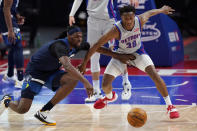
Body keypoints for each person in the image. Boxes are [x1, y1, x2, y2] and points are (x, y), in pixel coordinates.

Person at [0, 25, 135, 125]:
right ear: (68, 36)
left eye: (81, 36)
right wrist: (86, 82)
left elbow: (95, 48)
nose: (79, 38)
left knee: (71, 80)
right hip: (35, 73)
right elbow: (67, 65)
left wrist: (119, 56)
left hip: (51, 72)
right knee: (22, 109)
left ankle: (44, 111)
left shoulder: (77, 45)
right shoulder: (60, 45)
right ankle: (6, 101)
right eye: (76, 36)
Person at [79, 5, 180, 119]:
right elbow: (95, 46)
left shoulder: (140, 20)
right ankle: (109, 96)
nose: (128, 21)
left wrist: (162, 10)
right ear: (121, 18)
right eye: (125, 19)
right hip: (120, 55)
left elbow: (150, 12)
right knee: (105, 85)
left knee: (155, 75)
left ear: (134, 16)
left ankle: (170, 106)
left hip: (138, 53)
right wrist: (84, 63)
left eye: (131, 18)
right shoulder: (114, 30)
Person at [69, 0, 138, 102]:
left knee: (116, 52)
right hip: (92, 21)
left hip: (108, 21)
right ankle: (96, 91)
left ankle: (126, 83)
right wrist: (72, 14)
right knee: (93, 54)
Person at [0, 0, 25, 88]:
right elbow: (6, 8)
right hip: (5, 19)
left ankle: (10, 75)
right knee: (18, 46)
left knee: (13, 46)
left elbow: (11, 7)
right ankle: (20, 79)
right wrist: (10, 30)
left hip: (6, 18)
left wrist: (17, 16)